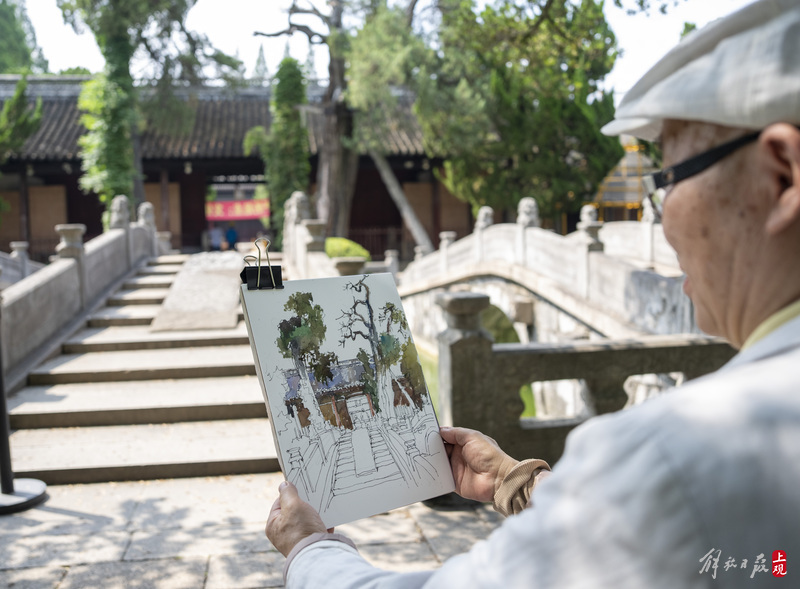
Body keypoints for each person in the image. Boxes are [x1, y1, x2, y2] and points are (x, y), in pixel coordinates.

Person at [265, 1, 800, 586]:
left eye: (667, 179)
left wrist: (311, 549)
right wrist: (515, 483)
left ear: (782, 175)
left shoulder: (671, 457)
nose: (660, 218)